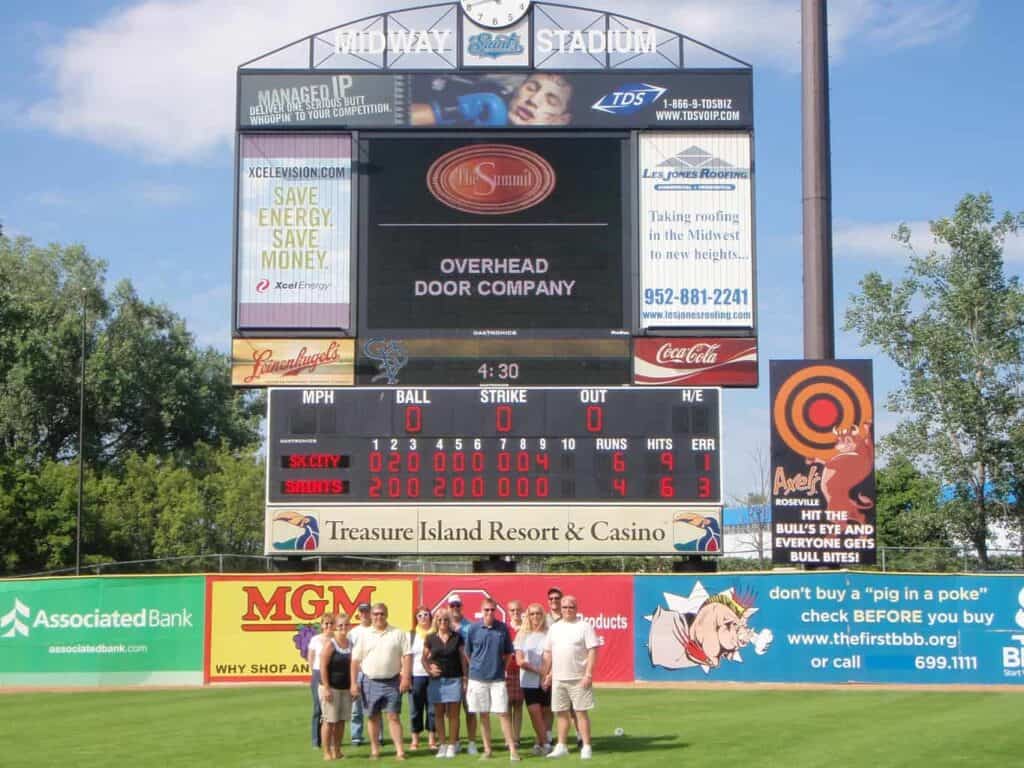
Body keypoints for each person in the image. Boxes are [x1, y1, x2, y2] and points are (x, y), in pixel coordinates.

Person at [350, 602, 413, 760]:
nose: (379, 617)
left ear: (387, 615)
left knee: (393, 717)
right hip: (370, 682)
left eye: (382, 614)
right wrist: (353, 683)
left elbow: (407, 655)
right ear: (371, 616)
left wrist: (405, 677)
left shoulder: (398, 633)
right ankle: (375, 750)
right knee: (372, 716)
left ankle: (400, 751)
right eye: (376, 614)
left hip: (392, 681)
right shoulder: (364, 635)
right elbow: (355, 661)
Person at [464, 598, 522, 761]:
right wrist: (477, 667)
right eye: (486, 610)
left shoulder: (502, 628)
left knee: (503, 713)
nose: (489, 613)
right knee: (483, 714)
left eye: (492, 610)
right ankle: (488, 749)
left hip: (497, 679)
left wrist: (501, 668)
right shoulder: (473, 629)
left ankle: (512, 750)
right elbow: (468, 654)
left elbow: (508, 653)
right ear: (481, 611)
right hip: (477, 679)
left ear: (495, 611)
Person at [542, 595, 599, 760]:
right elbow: (549, 653)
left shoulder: (584, 626)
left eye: (571, 607)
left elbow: (593, 651)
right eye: (564, 607)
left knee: (581, 713)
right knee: (560, 713)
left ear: (576, 608)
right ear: (560, 608)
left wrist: (588, 674)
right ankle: (562, 745)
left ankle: (586, 746)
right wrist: (547, 674)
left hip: (579, 678)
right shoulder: (555, 628)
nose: (567, 610)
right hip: (559, 679)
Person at [410, 73, 574, 127]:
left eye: (551, 101)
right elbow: (386, 115)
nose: (533, 100)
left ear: (561, 120)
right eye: (531, 88)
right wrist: (456, 110)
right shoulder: (482, 107)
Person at [424, 608, 467, 760]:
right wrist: (428, 669)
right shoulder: (430, 638)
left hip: (454, 679)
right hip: (437, 681)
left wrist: (465, 677)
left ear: (450, 621)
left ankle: (451, 744)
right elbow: (423, 658)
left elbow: (463, 658)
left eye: (446, 620)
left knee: (454, 715)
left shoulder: (457, 637)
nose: (443, 622)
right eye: (440, 619)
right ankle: (442, 744)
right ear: (436, 621)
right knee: (439, 714)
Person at [515, 602, 553, 756]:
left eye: (538, 613)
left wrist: (548, 675)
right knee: (534, 712)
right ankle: (546, 743)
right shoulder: (522, 635)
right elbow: (519, 661)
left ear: (542, 615)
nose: (535, 616)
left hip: (546, 680)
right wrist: (539, 671)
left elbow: (554, 657)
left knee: (545, 712)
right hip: (529, 681)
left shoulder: (549, 634)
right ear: (528, 616)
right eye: (532, 614)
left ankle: (539, 743)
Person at [319, 611, 354, 761]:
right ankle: (326, 752)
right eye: (340, 625)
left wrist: (353, 685)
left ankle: (337, 751)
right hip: (330, 688)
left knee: (341, 721)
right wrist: (326, 687)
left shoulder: (351, 644)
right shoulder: (330, 644)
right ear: (335, 627)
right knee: (329, 721)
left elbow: (353, 666)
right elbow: (322, 666)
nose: (343, 628)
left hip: (345, 689)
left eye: (346, 625)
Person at [447, 595, 479, 756]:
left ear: (462, 606)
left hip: (469, 673)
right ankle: (456, 741)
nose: (455, 608)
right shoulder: (444, 625)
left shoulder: (470, 627)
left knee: (470, 709)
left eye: (457, 605)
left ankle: (472, 742)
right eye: (452, 605)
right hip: (451, 673)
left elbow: (473, 651)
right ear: (448, 607)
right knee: (452, 711)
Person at [409, 605, 437, 751]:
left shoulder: (436, 634)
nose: (423, 618)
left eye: (426, 614)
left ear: (430, 617)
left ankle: (432, 740)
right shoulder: (411, 635)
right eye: (419, 615)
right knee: (415, 709)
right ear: (416, 618)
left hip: (432, 676)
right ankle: (415, 740)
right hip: (416, 676)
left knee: (433, 709)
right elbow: (406, 657)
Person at [348, 602, 374, 747]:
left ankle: (377, 736)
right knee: (356, 708)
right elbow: (350, 655)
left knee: (374, 707)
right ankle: (356, 736)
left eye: (366, 611)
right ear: (359, 613)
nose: (364, 614)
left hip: (372, 672)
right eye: (362, 611)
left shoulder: (375, 629)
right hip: (358, 672)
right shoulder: (353, 632)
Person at [308, 612, 334, 749]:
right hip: (318, 674)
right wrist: (315, 672)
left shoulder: (337, 639)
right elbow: (311, 657)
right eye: (326, 623)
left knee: (332, 709)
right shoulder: (315, 639)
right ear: (322, 625)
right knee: (318, 708)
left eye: (331, 623)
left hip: (333, 674)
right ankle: (315, 740)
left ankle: (331, 739)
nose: (328, 626)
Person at [505, 601, 526, 747]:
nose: (515, 613)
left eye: (518, 610)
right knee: (506, 705)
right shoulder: (504, 628)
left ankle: (516, 737)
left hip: (522, 670)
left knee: (518, 705)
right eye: (512, 610)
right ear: (508, 612)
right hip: (507, 669)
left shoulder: (527, 627)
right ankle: (509, 738)